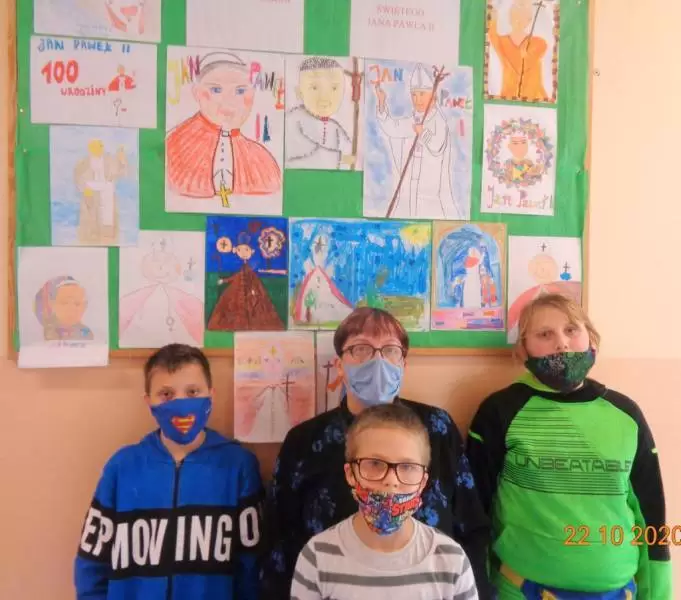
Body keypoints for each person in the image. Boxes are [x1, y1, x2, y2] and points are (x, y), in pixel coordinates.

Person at [260, 307, 492, 598]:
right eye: (361, 349)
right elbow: (278, 542)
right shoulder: (304, 441)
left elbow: (470, 524)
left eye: (390, 350)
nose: (377, 361)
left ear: (403, 363)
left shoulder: (437, 427)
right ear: (339, 365)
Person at [467, 293, 672, 599]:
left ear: (591, 338)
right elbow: (475, 512)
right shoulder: (499, 411)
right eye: (544, 334)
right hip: (521, 590)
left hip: (618, 590)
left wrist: (659, 592)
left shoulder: (626, 414)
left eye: (571, 330)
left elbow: (651, 511)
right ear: (523, 349)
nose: (561, 343)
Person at [74, 344, 263, 599]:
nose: (180, 403)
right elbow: (91, 563)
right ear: (148, 401)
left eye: (193, 391)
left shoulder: (239, 466)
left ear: (211, 395)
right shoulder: (121, 468)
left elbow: (252, 566)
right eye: (166, 394)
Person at [291, 403, 478, 599]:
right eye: (374, 463)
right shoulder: (317, 557)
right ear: (351, 474)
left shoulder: (452, 561)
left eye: (407, 467)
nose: (391, 480)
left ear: (423, 482)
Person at [166, 51, 281, 206]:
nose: (229, 101)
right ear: (197, 93)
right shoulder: (175, 146)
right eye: (216, 90)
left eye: (240, 91)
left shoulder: (261, 160)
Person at [373, 63, 457, 219]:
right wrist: (382, 103)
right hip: (408, 194)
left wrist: (423, 133)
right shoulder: (413, 120)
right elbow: (392, 127)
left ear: (432, 95)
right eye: (414, 95)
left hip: (429, 197)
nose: (417, 100)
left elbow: (437, 146)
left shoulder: (439, 121)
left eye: (422, 94)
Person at [286, 56, 356, 170]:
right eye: (314, 88)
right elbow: (299, 151)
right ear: (299, 92)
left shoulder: (335, 127)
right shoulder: (294, 118)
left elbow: (348, 148)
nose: (324, 98)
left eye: (334, 88)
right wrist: (340, 158)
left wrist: (352, 158)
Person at [488, 0, 548, 101]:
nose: (517, 21)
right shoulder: (502, 42)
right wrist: (491, 7)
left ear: (528, 20)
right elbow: (491, 30)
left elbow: (524, 62)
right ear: (510, 17)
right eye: (515, 16)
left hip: (535, 100)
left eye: (521, 18)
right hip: (509, 99)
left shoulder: (539, 43)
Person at [74, 138, 127, 245]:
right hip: (90, 190)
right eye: (96, 146)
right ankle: (91, 234)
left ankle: (107, 233)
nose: (99, 149)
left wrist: (122, 159)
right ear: (90, 149)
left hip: (106, 189)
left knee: (108, 213)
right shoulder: (84, 163)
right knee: (91, 213)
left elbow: (122, 171)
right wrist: (84, 188)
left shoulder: (109, 160)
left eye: (100, 146)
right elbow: (77, 177)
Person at [34, 276, 94, 342]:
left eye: (77, 304)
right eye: (64, 303)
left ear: (84, 306)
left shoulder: (86, 332)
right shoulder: (50, 333)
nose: (71, 309)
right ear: (52, 304)